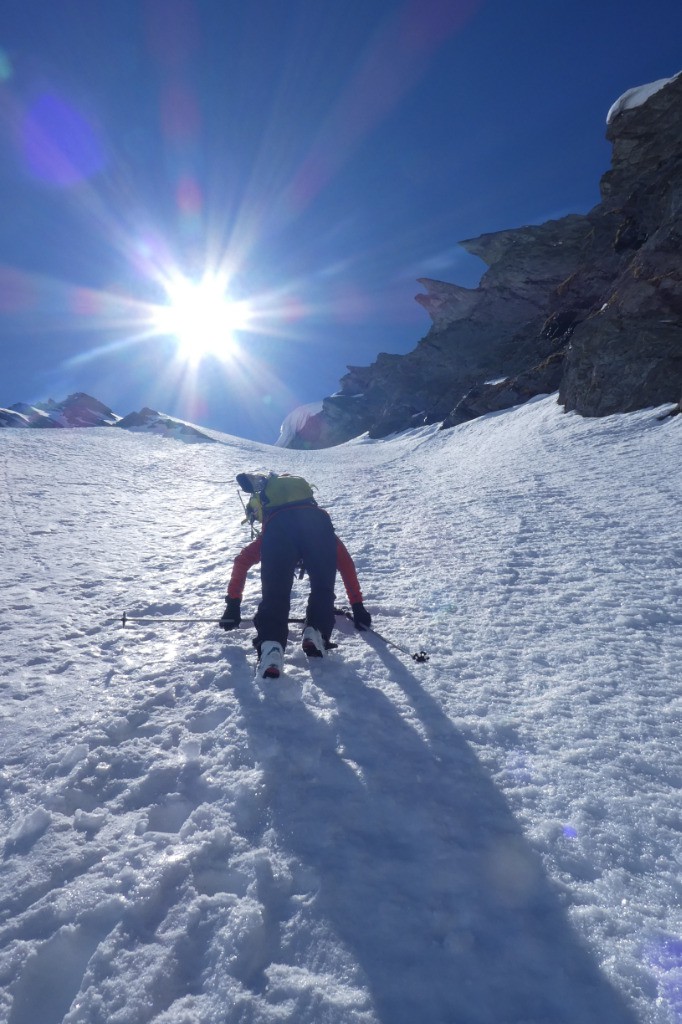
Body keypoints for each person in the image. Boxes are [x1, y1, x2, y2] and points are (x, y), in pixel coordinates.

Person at [219, 472, 371, 678]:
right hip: (318, 527)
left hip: (278, 531)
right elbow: (346, 565)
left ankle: (271, 648)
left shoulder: (273, 526)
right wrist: (357, 606)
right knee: (323, 589)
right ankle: (316, 631)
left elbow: (242, 562)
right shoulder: (319, 523)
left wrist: (233, 605)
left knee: (275, 595)